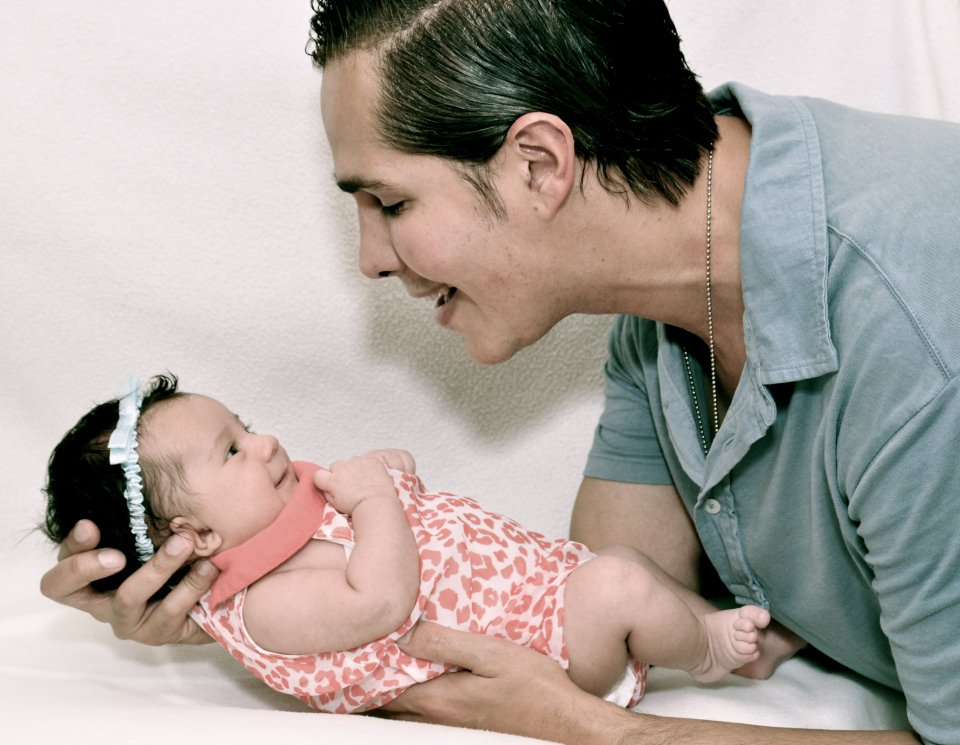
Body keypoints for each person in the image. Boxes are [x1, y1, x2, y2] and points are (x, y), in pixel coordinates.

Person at [39, 0, 959, 743]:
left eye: (389, 200)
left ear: (539, 163)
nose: (369, 257)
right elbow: (596, 591)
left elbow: (567, 689)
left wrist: (593, 732)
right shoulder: (668, 296)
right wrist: (220, 593)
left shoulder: (920, 345)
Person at [43, 374, 796, 714]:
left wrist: (390, 474)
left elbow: (391, 512)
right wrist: (374, 497)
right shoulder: (266, 603)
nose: (266, 441)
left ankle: (745, 639)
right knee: (621, 589)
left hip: (542, 589)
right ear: (196, 535)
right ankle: (707, 649)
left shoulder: (290, 515)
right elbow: (380, 597)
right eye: (234, 450)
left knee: (626, 566)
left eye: (245, 424)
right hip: (542, 650)